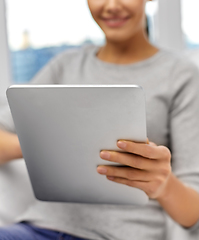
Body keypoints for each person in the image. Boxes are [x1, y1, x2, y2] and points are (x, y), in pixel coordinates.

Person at [0, 0, 199, 239]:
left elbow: (194, 214)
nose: (112, 6)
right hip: (38, 228)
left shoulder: (182, 77)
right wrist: (46, 147)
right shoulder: (65, 66)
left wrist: (164, 185)